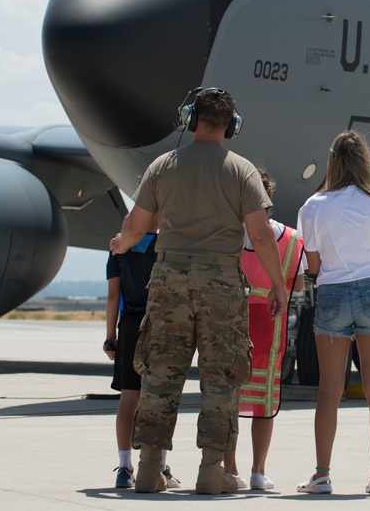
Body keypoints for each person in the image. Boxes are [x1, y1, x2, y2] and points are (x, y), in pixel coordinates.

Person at [109, 87, 288, 495]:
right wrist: (277, 284)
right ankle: (211, 471)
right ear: (232, 126)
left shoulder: (162, 165)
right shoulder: (241, 170)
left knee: (159, 374)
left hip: (168, 277)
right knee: (222, 378)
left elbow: (136, 227)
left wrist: (121, 244)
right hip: (220, 283)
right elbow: (260, 235)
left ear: (190, 120)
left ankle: (150, 469)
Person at [295, 130, 370, 495]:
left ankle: (323, 475)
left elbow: (312, 264)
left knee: (329, 390)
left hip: (332, 294)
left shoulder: (313, 206)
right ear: (365, 162)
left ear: (332, 163)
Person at [224, 169, 305, 491]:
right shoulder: (291, 238)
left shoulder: (226, 233)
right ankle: (259, 470)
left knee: (227, 394)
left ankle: (230, 468)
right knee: (264, 400)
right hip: (270, 322)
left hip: (230, 318)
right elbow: (297, 285)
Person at [103, 233, 180, 490]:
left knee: (129, 397)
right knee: (161, 399)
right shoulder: (168, 244)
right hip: (162, 324)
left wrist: (110, 336)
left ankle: (124, 468)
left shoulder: (118, 248)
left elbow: (113, 296)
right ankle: (159, 467)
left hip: (130, 326)